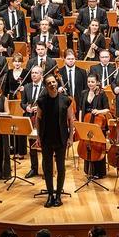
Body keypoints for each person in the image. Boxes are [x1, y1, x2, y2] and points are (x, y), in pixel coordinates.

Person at [36, 73, 74, 207]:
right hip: (46, 138)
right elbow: (38, 119)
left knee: (61, 167)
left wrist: (71, 138)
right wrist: (38, 137)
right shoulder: (41, 101)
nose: (52, 84)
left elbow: (71, 120)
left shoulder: (66, 100)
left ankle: (58, 195)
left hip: (61, 138)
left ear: (56, 83)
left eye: (53, 82)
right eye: (49, 83)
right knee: (47, 168)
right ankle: (50, 195)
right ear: (46, 86)